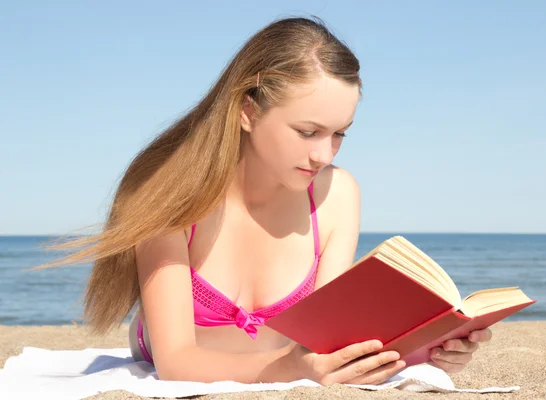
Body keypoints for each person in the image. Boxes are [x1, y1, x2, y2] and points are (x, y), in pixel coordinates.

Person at [40, 16, 491, 385]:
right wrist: (290, 369)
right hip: (193, 356)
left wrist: (427, 351)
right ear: (248, 110)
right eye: (308, 131)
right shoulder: (168, 194)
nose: (323, 154)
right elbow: (176, 363)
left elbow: (326, 345)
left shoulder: (336, 194)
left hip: (280, 359)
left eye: (339, 134)